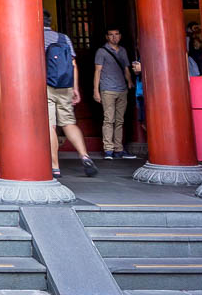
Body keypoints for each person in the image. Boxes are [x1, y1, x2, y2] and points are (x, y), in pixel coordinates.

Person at [43, 12, 98, 177]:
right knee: (68, 123)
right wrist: (75, 88)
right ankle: (84, 156)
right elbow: (73, 64)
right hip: (65, 85)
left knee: (50, 125)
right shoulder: (63, 38)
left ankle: (55, 166)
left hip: (45, 86)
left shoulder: (34, 38)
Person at [93, 27, 140, 159]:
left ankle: (118, 149)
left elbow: (126, 68)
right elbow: (97, 71)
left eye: (116, 34)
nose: (114, 37)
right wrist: (96, 91)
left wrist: (129, 82)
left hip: (122, 89)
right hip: (107, 89)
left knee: (119, 120)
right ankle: (108, 149)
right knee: (109, 119)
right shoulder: (101, 52)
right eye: (111, 35)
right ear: (107, 37)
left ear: (120, 36)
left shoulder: (123, 51)